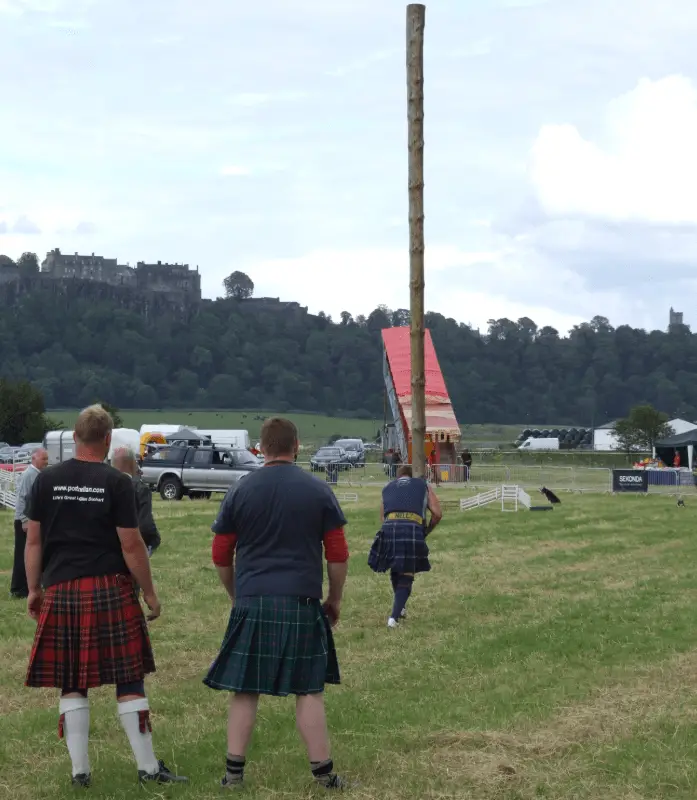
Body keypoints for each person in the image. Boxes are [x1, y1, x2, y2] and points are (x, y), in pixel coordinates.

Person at [23, 404, 187, 788]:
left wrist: (33, 589)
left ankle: (80, 773)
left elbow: (33, 539)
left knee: (71, 679)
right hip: (110, 589)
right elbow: (131, 545)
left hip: (62, 589)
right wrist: (149, 592)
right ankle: (147, 769)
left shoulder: (45, 481)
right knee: (128, 677)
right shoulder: (117, 482)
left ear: (75, 437)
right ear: (108, 440)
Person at [205, 417, 350, 791]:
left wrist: (238, 596)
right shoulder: (318, 491)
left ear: (261, 447)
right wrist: (334, 599)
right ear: (296, 446)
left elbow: (221, 553)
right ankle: (324, 776)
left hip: (253, 600)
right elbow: (337, 553)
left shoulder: (241, 489)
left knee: (245, 688)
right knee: (308, 689)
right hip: (301, 601)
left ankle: (233, 777)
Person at [369, 464, 442, 628]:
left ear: (397, 477)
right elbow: (437, 513)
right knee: (407, 573)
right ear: (412, 475)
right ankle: (393, 619)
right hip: (412, 527)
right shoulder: (423, 485)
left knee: (396, 567)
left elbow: (383, 516)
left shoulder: (387, 487)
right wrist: (426, 530)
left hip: (389, 528)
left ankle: (400, 608)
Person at [10, 447, 48, 598]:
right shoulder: (29, 475)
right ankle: (18, 589)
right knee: (22, 555)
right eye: (43, 459)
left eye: (47, 459)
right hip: (23, 522)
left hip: (31, 521)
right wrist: (24, 521)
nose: (46, 462)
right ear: (34, 458)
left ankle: (29, 585)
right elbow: (21, 498)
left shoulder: (38, 475)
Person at [112, 446, 161, 557]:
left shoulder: (103, 486)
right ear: (133, 463)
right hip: (132, 549)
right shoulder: (140, 488)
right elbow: (145, 525)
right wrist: (154, 540)